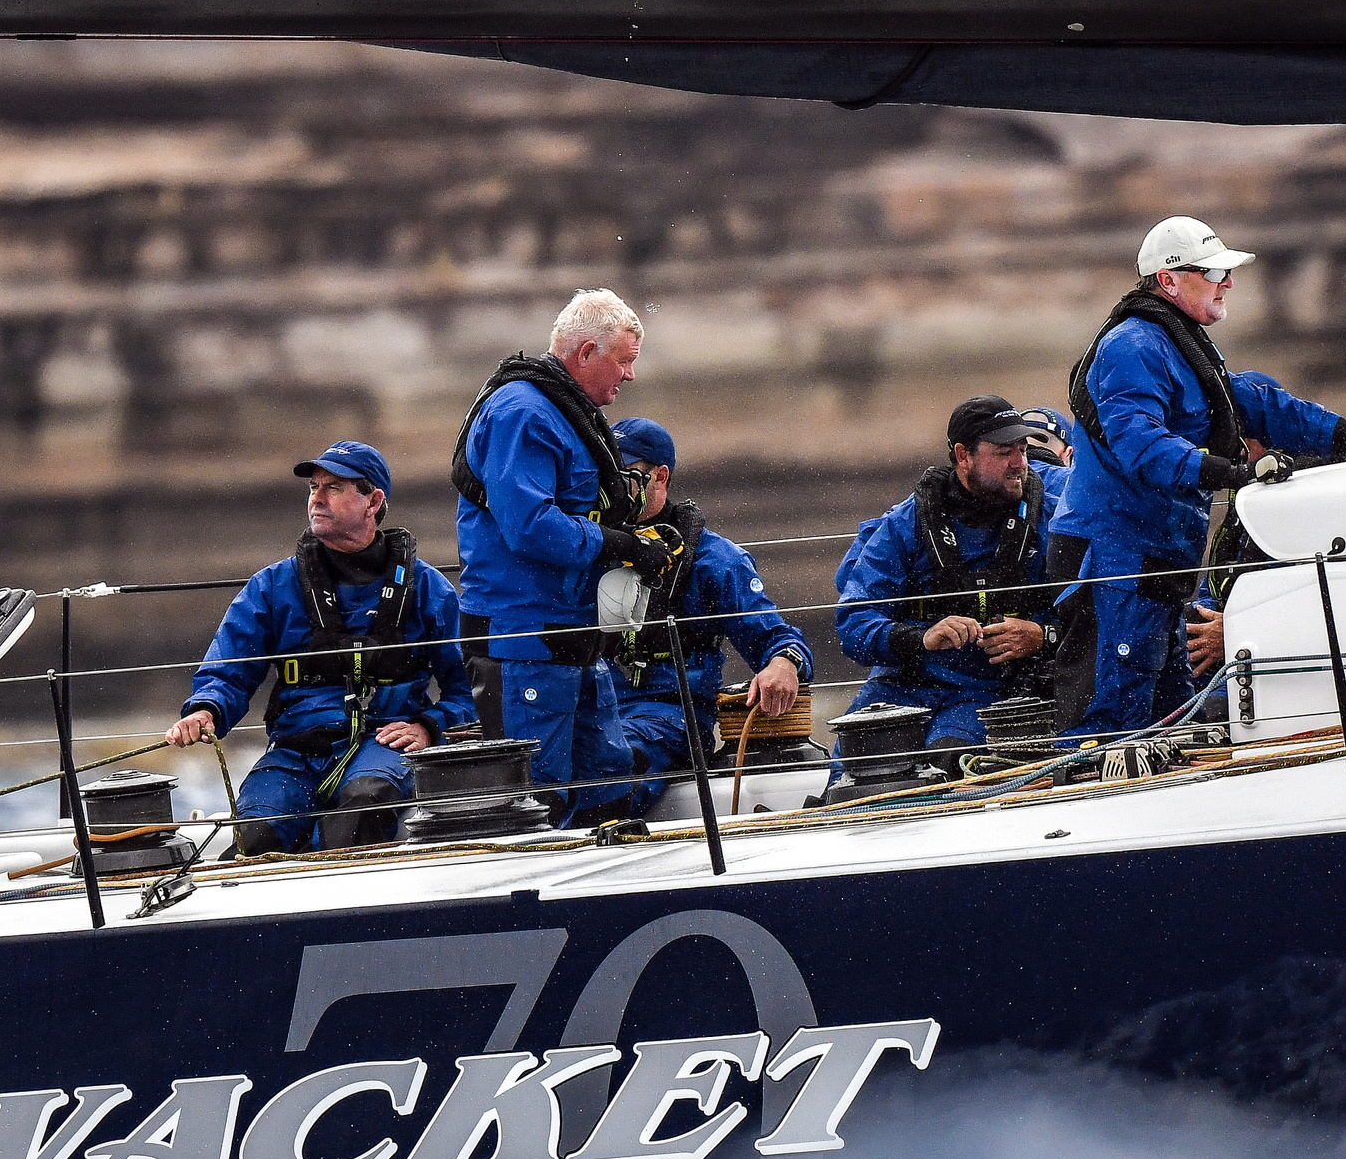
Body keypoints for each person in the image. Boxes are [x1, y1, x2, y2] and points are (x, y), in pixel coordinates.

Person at [1056, 216, 1346, 736]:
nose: (1229, 282)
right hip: (1116, 558)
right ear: (1169, 280)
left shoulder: (1180, 344)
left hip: (1155, 557)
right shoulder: (1135, 345)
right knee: (1114, 721)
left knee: (1170, 717)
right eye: (1215, 271)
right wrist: (1239, 472)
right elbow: (1140, 445)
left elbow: (1265, 407)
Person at [166, 441, 472, 853]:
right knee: (257, 835)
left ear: (373, 501)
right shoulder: (272, 587)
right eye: (313, 487)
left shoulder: (429, 589)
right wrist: (206, 710)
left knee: (362, 806)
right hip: (296, 750)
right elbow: (229, 670)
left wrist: (428, 726)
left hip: (381, 746)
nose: (317, 498)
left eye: (334, 487)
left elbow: (469, 690)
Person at [452, 290, 669, 825]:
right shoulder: (522, 412)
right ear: (587, 352)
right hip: (524, 641)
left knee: (609, 787)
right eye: (624, 361)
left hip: (575, 640)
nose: (630, 376)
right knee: (536, 799)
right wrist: (619, 544)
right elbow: (528, 526)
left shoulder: (565, 410)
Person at [833, 395, 1065, 750]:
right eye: (1004, 452)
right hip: (902, 684)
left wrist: (1041, 635)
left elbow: (1101, 615)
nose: (1020, 463)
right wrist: (921, 639)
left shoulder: (1055, 520)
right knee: (858, 762)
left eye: (1022, 449)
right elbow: (854, 621)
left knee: (948, 756)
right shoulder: (905, 525)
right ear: (963, 456)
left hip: (988, 694)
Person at [605, 418, 809, 797]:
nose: (613, 488)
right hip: (587, 707)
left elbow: (777, 639)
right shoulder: (584, 545)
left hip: (666, 716)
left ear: (660, 477)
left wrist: (784, 663)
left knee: (609, 766)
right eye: (604, 475)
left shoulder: (714, 560)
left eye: (625, 475)